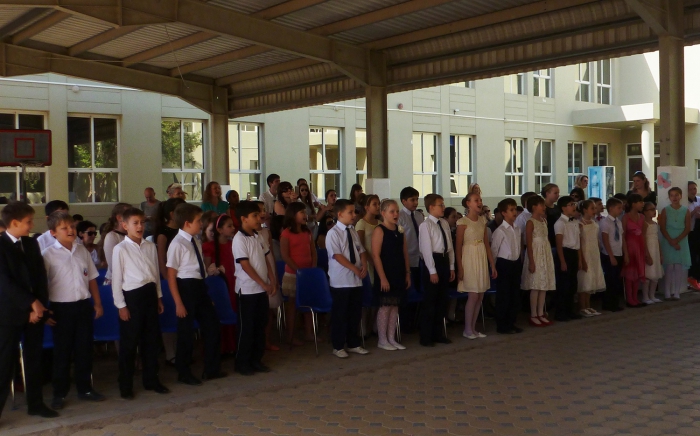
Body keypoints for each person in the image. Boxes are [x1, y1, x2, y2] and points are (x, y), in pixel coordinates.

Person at [43, 212, 105, 411]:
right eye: (64, 228)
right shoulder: (48, 255)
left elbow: (92, 278)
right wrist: (45, 311)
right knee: (62, 352)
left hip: (83, 305)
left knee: (84, 349)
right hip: (61, 309)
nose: (70, 230)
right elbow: (41, 285)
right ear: (53, 233)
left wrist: (97, 303)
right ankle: (59, 393)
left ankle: (85, 389)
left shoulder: (82, 251)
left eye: (71, 226)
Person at [0, 202, 55, 419]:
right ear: (14, 223)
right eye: (28, 222)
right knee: (5, 362)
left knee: (34, 359)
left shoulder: (31, 243)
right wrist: (30, 303)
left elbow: (40, 276)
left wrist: (39, 305)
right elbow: (5, 282)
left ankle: (36, 404)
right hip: (9, 313)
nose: (32, 225)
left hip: (36, 311)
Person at [111, 207, 170, 400]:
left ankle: (151, 379)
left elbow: (155, 275)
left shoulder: (150, 246)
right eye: (135, 223)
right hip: (132, 297)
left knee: (151, 341)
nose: (139, 226)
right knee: (129, 344)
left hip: (149, 294)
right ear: (125, 225)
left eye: (142, 222)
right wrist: (121, 306)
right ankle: (125, 385)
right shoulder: (120, 249)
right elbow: (117, 279)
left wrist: (158, 297)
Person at [166, 203, 225, 386]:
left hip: (199, 287)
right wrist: (178, 303)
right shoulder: (177, 244)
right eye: (198, 221)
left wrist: (206, 294)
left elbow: (199, 270)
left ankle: (212, 368)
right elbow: (171, 275)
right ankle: (183, 372)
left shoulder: (195, 240)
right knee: (186, 332)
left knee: (212, 326)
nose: (201, 224)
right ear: (187, 223)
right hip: (186, 288)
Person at [233, 201, 278, 375]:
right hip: (247, 290)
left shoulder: (258, 236)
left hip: (261, 289)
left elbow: (266, 258)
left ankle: (256, 359)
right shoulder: (239, 239)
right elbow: (245, 265)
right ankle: (242, 362)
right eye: (254, 216)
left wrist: (272, 279)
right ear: (244, 219)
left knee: (260, 325)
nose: (259, 218)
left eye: (259, 215)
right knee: (247, 328)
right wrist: (263, 283)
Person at [326, 199, 369, 358]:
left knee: (354, 313)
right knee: (340, 314)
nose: (353, 215)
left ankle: (353, 343)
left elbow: (361, 250)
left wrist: (363, 265)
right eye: (350, 212)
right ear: (340, 214)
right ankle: (338, 346)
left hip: (356, 280)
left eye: (354, 212)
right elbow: (337, 255)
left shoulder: (352, 231)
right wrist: (354, 268)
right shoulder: (333, 233)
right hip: (341, 281)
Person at [456, 193, 496, 339]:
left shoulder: (482, 220)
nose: (479, 202)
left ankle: (473, 328)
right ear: (468, 203)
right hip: (469, 258)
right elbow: (458, 247)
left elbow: (486, 244)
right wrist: (460, 268)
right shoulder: (462, 222)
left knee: (480, 295)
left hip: (481, 257)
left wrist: (492, 264)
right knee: (473, 295)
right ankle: (467, 329)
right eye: (476, 200)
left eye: (480, 200)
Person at [371, 199, 409, 350]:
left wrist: (407, 273)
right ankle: (382, 339)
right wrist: (382, 278)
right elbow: (375, 255)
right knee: (385, 306)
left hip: (398, 272)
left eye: (397, 211)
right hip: (386, 273)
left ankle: (391, 338)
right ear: (383, 213)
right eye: (392, 211)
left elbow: (405, 253)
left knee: (395, 306)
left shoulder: (400, 231)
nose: (395, 214)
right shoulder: (379, 230)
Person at [418, 194, 455, 347]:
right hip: (433, 262)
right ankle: (426, 336)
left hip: (444, 260)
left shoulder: (444, 223)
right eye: (440, 205)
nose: (443, 207)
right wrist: (432, 271)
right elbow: (426, 250)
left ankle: (438, 333)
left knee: (442, 300)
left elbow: (450, 246)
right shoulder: (425, 225)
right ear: (431, 207)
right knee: (430, 301)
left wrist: (451, 266)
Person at [280, 202, 317, 346]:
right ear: (293, 215)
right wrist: (298, 271)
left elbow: (313, 251)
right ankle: (290, 336)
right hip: (293, 274)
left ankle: (309, 333)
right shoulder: (286, 233)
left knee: (308, 304)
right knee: (292, 306)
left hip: (308, 273)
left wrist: (312, 268)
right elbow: (285, 255)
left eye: (305, 212)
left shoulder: (307, 232)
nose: (305, 215)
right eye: (302, 212)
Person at [203, 214, 237, 354]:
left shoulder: (233, 244)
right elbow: (206, 269)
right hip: (219, 285)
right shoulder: (209, 246)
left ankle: (232, 345)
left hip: (233, 282)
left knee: (233, 309)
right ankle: (221, 347)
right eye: (229, 226)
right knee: (220, 312)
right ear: (220, 230)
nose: (233, 228)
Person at [521, 195, 556, 327]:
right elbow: (529, 243)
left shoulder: (544, 221)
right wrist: (531, 261)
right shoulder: (530, 222)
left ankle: (541, 312)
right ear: (534, 207)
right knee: (536, 286)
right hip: (535, 254)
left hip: (545, 254)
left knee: (543, 286)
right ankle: (533, 314)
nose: (544, 207)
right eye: (541, 205)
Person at [491, 198, 522, 335]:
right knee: (504, 296)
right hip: (504, 264)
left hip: (515, 263)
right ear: (504, 213)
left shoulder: (517, 229)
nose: (514, 212)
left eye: (515, 209)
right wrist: (493, 267)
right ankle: (502, 325)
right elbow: (494, 250)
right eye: (511, 210)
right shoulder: (500, 231)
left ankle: (511, 322)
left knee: (514, 295)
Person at [659, 187, 691, 300]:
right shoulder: (665, 210)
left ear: (681, 196)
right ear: (669, 197)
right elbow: (662, 227)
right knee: (668, 266)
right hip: (668, 239)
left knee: (678, 266)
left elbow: (687, 228)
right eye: (672, 195)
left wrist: (677, 240)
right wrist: (671, 241)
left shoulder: (686, 211)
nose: (674, 197)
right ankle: (667, 292)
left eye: (677, 195)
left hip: (681, 240)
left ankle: (677, 292)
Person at [397, 186, 423, 332]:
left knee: (419, 289)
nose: (415, 202)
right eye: (412, 200)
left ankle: (416, 322)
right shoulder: (400, 217)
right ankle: (405, 324)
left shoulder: (419, 216)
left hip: (420, 259)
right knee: (407, 292)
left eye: (417, 199)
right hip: (407, 259)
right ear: (404, 201)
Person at [553, 196, 582, 321]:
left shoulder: (575, 222)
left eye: (574, 204)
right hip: (565, 253)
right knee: (563, 285)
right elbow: (559, 243)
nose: (573, 206)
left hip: (574, 253)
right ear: (563, 208)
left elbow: (577, 242)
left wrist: (579, 259)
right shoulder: (560, 223)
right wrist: (562, 260)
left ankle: (570, 310)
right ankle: (560, 312)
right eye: (571, 204)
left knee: (572, 284)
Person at [577, 200, 605, 316]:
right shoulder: (580, 224)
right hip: (585, 253)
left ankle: (588, 305)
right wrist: (581, 259)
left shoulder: (594, 223)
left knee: (591, 281)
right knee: (584, 281)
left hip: (594, 254)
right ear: (584, 210)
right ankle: (582, 307)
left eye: (595, 208)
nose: (594, 210)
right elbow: (579, 243)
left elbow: (596, 239)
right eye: (592, 208)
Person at [599, 197, 627, 312]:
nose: (621, 210)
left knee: (616, 280)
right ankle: (608, 303)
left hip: (618, 253)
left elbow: (622, 238)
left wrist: (625, 253)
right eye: (618, 208)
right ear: (611, 208)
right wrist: (611, 256)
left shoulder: (618, 222)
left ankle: (614, 302)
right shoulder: (605, 222)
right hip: (609, 254)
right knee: (610, 280)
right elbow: (605, 240)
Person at [621, 194, 646, 307]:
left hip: (639, 247)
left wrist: (646, 251)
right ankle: (629, 298)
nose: (642, 204)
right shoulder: (625, 217)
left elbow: (643, 235)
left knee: (637, 273)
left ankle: (635, 297)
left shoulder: (642, 217)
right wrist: (625, 252)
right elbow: (623, 235)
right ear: (633, 204)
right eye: (640, 202)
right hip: (630, 248)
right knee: (629, 274)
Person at [101, 203, 132, 285]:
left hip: (132, 280)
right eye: (129, 214)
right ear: (119, 218)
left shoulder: (132, 235)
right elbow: (113, 266)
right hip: (116, 281)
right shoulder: (112, 237)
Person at [642, 202, 664, 304]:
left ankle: (652, 295)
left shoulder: (655, 224)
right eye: (651, 209)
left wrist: (660, 253)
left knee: (655, 274)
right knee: (648, 273)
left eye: (654, 209)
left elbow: (657, 239)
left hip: (655, 250)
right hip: (649, 249)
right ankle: (645, 297)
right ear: (645, 212)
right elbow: (643, 238)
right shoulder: (644, 224)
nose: (654, 211)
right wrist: (647, 253)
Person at [687, 181, 700, 290]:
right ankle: (691, 278)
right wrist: (694, 212)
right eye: (690, 189)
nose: (693, 191)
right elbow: (684, 218)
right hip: (690, 232)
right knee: (692, 255)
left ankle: (696, 278)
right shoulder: (685, 202)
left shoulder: (699, 199)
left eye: (694, 188)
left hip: (698, 231)